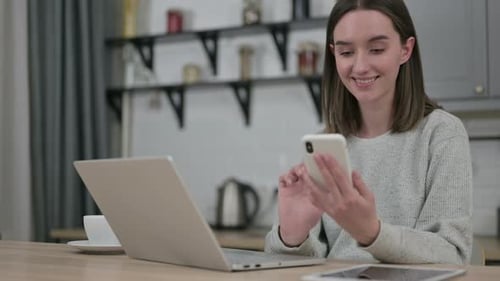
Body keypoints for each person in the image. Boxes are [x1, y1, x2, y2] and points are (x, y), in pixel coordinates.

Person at [265, 0, 472, 264]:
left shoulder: (442, 134)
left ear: (405, 50)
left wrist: (371, 233)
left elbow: (452, 254)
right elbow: (288, 266)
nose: (360, 66)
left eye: (376, 49)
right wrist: (291, 235)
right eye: (346, 52)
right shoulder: (325, 144)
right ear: (334, 54)